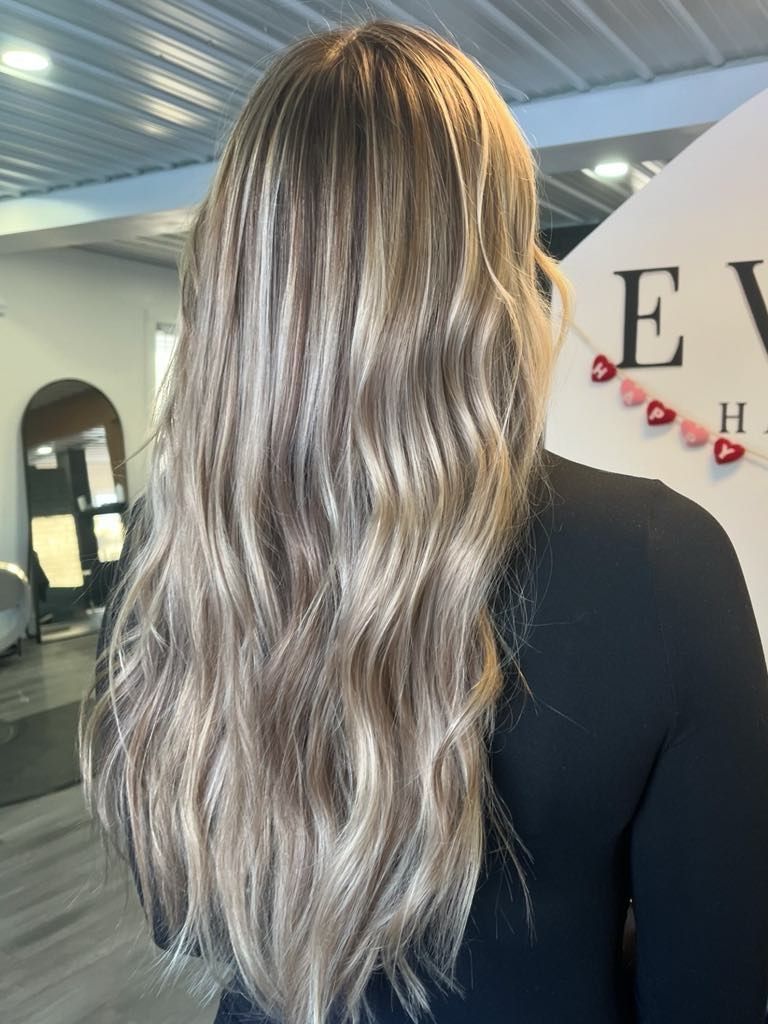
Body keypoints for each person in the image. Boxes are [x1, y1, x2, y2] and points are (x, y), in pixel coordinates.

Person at [78, 20, 768, 1024]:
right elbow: (714, 989)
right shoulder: (661, 564)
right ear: (494, 265)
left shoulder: (175, 555)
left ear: (241, 273)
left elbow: (178, 912)